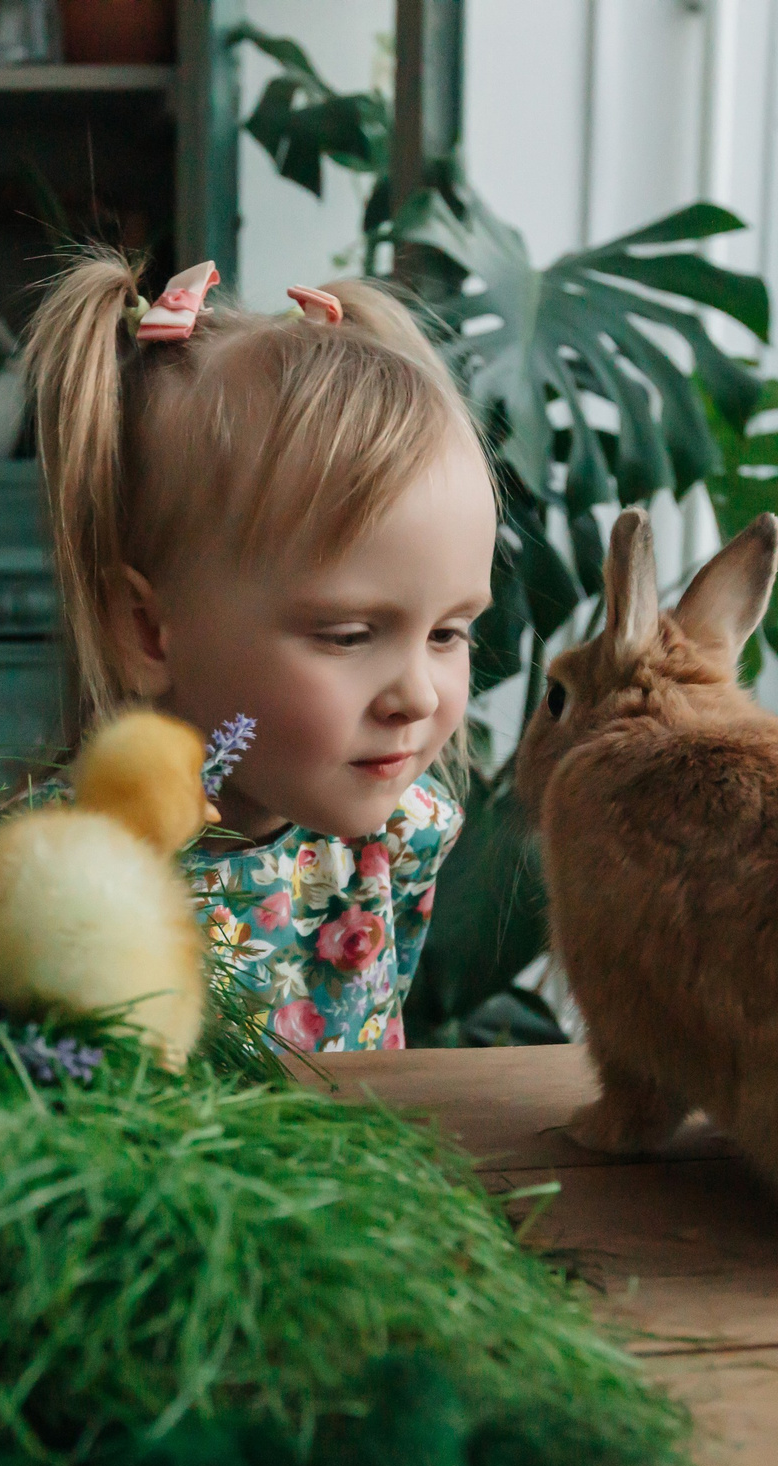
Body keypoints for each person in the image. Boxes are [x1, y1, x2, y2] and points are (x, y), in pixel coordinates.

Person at [25, 250, 497, 1052]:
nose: (418, 695)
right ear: (147, 631)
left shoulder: (401, 833)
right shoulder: (59, 881)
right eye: (349, 635)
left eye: (448, 632)